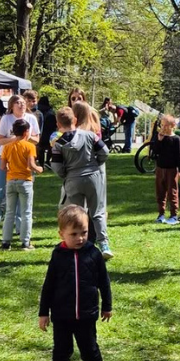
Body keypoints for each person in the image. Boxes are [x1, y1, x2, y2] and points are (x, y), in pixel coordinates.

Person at [39, 204, 112, 361]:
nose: (80, 238)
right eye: (74, 234)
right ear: (61, 234)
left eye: (84, 233)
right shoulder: (58, 256)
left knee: (89, 346)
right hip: (62, 314)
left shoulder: (93, 254)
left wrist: (107, 306)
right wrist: (43, 312)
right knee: (61, 349)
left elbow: (104, 282)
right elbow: (49, 285)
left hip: (87, 314)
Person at [51, 106, 112, 258]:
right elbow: (104, 151)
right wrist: (96, 163)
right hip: (93, 177)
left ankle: (80, 246)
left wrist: (66, 173)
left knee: (78, 213)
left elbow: (56, 166)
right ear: (75, 120)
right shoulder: (91, 135)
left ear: (58, 124)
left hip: (73, 179)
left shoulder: (58, 143)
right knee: (97, 212)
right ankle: (104, 244)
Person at [0, 95, 39, 229]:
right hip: (5, 157)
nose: (21, 105)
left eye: (23, 102)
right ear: (11, 106)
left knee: (23, 192)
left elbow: (37, 139)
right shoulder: (6, 119)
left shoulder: (31, 118)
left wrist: (27, 138)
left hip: (24, 159)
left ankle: (20, 226)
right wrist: (15, 139)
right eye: (18, 102)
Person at [1, 118, 43, 251]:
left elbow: (2, 166)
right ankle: (25, 242)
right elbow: (31, 165)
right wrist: (39, 169)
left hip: (10, 181)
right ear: (26, 132)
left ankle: (6, 242)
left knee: (9, 212)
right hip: (25, 181)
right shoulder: (30, 146)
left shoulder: (7, 146)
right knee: (26, 212)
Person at [153, 115, 180, 224]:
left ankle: (174, 215)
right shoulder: (160, 137)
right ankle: (161, 214)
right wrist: (159, 141)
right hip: (160, 168)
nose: (164, 128)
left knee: (172, 192)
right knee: (160, 191)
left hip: (172, 169)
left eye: (166, 125)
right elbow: (155, 152)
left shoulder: (176, 139)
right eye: (162, 125)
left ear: (173, 126)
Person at [38, 96, 56, 167]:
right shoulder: (50, 112)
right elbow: (53, 125)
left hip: (40, 132)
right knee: (50, 148)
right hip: (49, 133)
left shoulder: (38, 111)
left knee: (40, 149)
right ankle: (48, 161)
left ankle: (41, 164)